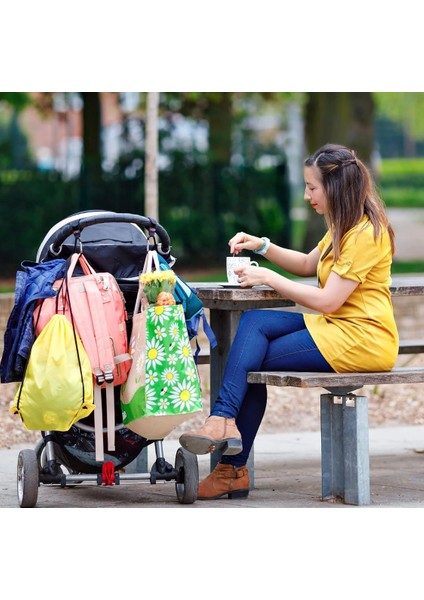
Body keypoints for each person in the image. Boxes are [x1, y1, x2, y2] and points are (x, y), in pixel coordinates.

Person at [179, 143, 399, 500]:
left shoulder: (365, 234)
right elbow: (308, 264)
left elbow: (328, 301)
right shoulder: (345, 226)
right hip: (339, 330)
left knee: (248, 359)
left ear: (335, 187)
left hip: (363, 340)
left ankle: (229, 466)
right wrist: (261, 245)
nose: (306, 194)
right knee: (254, 326)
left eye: (312, 187)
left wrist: (268, 278)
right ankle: (223, 427)